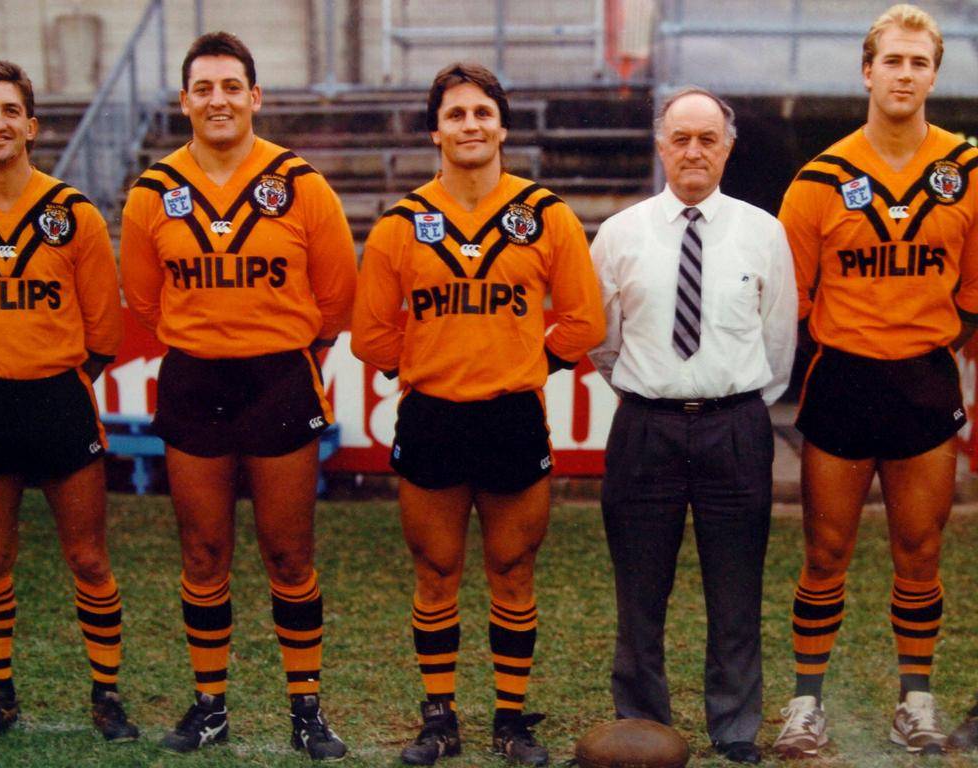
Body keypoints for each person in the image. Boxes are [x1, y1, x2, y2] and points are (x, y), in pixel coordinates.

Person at [350, 62, 605, 766]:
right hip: (432, 416)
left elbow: (584, 322)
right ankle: (439, 719)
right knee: (435, 572)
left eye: (481, 113)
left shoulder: (545, 214)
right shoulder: (402, 224)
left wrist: (521, 361)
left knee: (513, 570)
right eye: (456, 114)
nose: (470, 125)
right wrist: (441, 356)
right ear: (436, 129)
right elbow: (370, 337)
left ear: (503, 126)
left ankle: (511, 720)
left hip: (512, 415)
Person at [119, 32, 356, 759]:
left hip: (279, 379)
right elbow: (146, 300)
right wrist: (212, 337)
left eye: (231, 87)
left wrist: (268, 339)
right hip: (195, 381)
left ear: (254, 97)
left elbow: (338, 297)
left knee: (288, 554)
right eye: (203, 88)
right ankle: (210, 705)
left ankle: (306, 709)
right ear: (185, 100)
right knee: (203, 552)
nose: (217, 100)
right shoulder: (152, 193)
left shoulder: (302, 184)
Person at [772, 4, 978, 757]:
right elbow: (787, 301)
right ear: (867, 70)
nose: (904, 74)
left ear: (934, 74)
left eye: (919, 63)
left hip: (924, 382)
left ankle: (915, 701)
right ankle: (805, 705)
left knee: (920, 552)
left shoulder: (970, 172)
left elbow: (974, 296)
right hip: (842, 383)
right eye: (892, 60)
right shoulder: (819, 179)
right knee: (825, 553)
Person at [588, 87, 797, 765]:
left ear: (728, 148)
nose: (694, 151)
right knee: (640, 592)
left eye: (708, 138)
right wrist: (656, 388)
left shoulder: (763, 232)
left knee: (736, 590)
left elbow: (778, 343)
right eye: (680, 138)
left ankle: (734, 729)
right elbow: (603, 341)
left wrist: (725, 399)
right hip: (644, 428)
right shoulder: (620, 233)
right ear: (660, 145)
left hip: (735, 426)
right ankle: (643, 726)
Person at [0, 60, 136, 740]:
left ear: (32, 125)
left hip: (60, 402)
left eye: (11, 110)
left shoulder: (74, 214)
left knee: (88, 559)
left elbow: (104, 333)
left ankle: (106, 695)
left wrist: (46, 373)